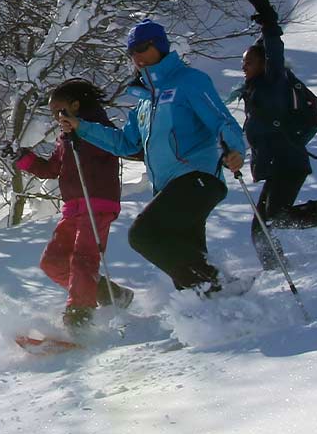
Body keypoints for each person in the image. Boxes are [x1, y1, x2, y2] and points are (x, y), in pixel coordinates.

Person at [59, 20, 248, 295]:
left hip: (198, 178)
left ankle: (223, 287)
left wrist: (235, 151)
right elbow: (125, 143)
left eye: (142, 48)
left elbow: (221, 121)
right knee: (183, 262)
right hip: (169, 188)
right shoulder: (145, 102)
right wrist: (82, 127)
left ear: (159, 45)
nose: (137, 56)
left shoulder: (189, 81)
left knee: (144, 235)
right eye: (131, 52)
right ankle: (219, 316)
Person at [234, 0, 317, 268]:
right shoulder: (252, 91)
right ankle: (275, 269)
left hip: (288, 161)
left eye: (249, 62)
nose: (244, 67)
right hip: (275, 165)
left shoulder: (273, 80)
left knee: (277, 218)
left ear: (264, 63)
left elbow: (274, 48)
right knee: (260, 230)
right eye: (243, 63)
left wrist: (268, 20)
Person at [7, 79, 134, 330]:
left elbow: (111, 149)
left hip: (97, 202)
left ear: (75, 105)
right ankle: (109, 294)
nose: (56, 118)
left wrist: (81, 132)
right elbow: (52, 169)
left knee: (82, 259)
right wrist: (21, 157)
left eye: (59, 111)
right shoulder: (66, 137)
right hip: (74, 206)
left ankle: (80, 314)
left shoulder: (98, 128)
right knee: (52, 261)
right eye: (53, 113)